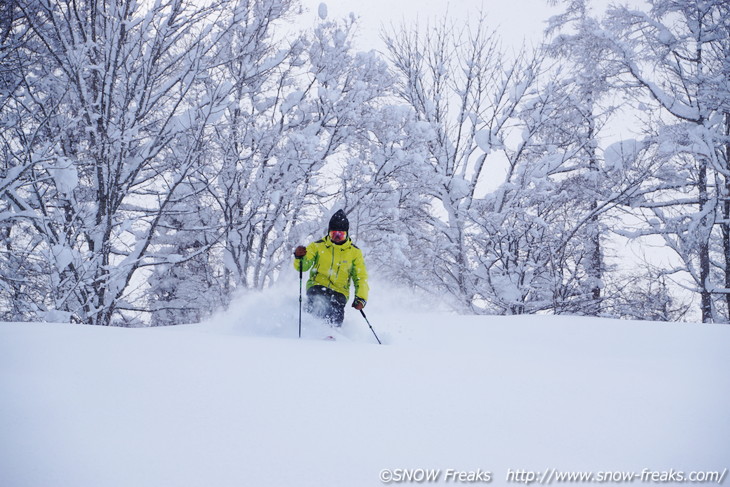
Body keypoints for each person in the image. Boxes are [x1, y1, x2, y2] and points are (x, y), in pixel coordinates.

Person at [293, 209, 369, 327]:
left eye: (341, 234)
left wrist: (361, 298)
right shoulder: (317, 246)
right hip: (317, 285)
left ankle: (332, 334)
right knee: (318, 301)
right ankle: (308, 328)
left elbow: (360, 277)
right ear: (329, 232)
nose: (337, 237)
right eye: (334, 234)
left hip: (340, 291)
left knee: (335, 309)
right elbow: (303, 267)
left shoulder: (354, 252)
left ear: (347, 234)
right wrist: (299, 257)